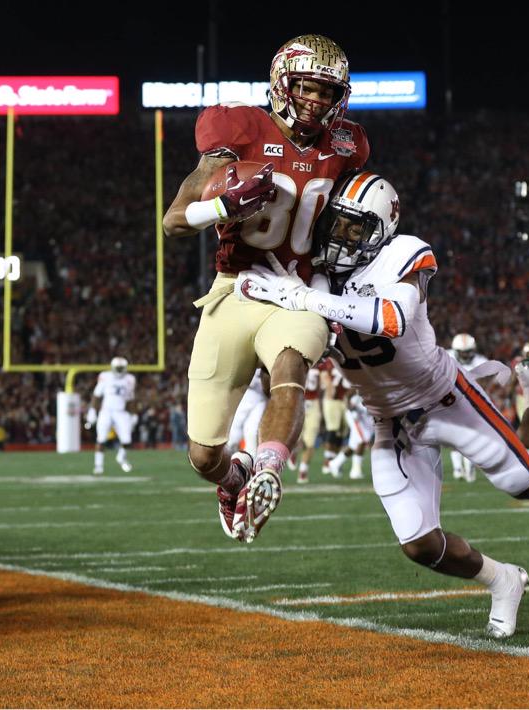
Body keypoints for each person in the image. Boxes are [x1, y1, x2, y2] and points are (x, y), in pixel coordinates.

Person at [234, 171, 529, 638]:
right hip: (389, 421)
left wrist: (299, 295)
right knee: (419, 544)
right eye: (337, 225)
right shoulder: (316, 274)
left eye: (356, 229)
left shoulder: (403, 253)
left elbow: (389, 320)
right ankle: (503, 578)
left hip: (444, 397)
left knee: (528, 483)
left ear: (381, 231)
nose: (341, 238)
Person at [162, 34, 369, 543]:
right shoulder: (237, 126)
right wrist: (223, 206)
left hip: (296, 292)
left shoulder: (347, 144)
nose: (318, 100)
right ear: (283, 82)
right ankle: (233, 478)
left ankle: (268, 471)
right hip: (235, 288)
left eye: (327, 91)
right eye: (308, 87)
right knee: (204, 454)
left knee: (292, 364)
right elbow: (173, 221)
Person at [446, 333, 488, 482]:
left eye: (467, 351)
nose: (465, 354)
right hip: (451, 402)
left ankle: (468, 467)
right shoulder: (446, 357)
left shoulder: (480, 361)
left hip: (472, 402)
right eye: (462, 351)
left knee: (471, 438)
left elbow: (486, 383)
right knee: (454, 437)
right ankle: (458, 468)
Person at [85, 357, 136, 475]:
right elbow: (96, 396)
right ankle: (98, 466)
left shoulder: (130, 379)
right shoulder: (105, 377)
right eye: (117, 368)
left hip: (121, 412)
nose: (119, 370)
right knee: (101, 439)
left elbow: (131, 399)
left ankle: (121, 458)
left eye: (121, 368)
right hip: (106, 411)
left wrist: (133, 414)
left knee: (127, 440)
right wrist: (92, 411)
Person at [286, 364, 322, 484]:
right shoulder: (297, 362)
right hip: (298, 402)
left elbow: (322, 386)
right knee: (296, 438)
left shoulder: (322, 364)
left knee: (310, 442)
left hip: (313, 403)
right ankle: (294, 451)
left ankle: (303, 471)